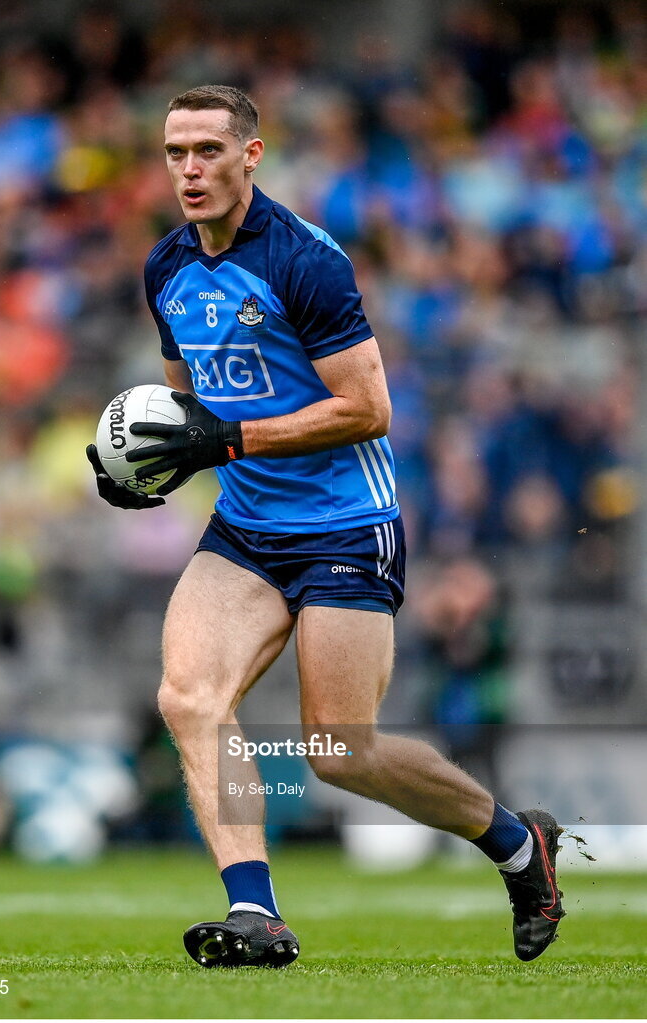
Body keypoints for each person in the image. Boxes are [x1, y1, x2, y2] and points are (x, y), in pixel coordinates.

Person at [86, 85, 564, 968]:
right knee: (188, 697)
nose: (190, 170)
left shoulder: (307, 260)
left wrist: (224, 436)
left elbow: (369, 408)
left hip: (348, 525)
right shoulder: (165, 268)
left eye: (208, 151)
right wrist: (147, 465)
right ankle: (254, 912)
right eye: (175, 153)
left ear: (251, 155)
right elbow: (185, 407)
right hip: (247, 529)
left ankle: (516, 844)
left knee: (337, 749)